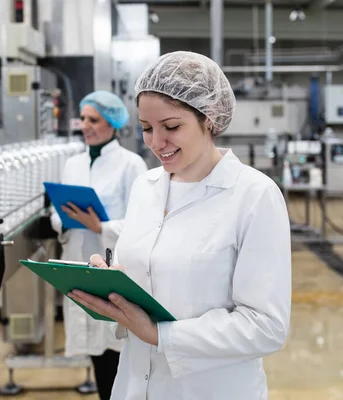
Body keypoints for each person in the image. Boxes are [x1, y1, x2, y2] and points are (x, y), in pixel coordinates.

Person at [68, 51, 292, 399]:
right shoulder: (147, 186)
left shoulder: (254, 196)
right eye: (146, 128)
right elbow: (153, 272)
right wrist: (110, 281)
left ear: (210, 118)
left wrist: (160, 334)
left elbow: (266, 328)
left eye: (171, 127)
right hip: (133, 383)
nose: (157, 142)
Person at [50, 90, 148, 400]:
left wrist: (100, 226)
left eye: (94, 120)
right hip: (78, 263)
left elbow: (142, 224)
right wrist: (64, 219)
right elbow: (56, 215)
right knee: (94, 348)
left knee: (119, 351)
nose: (86, 126)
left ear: (112, 123)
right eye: (84, 119)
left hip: (112, 267)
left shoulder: (131, 165)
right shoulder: (72, 164)